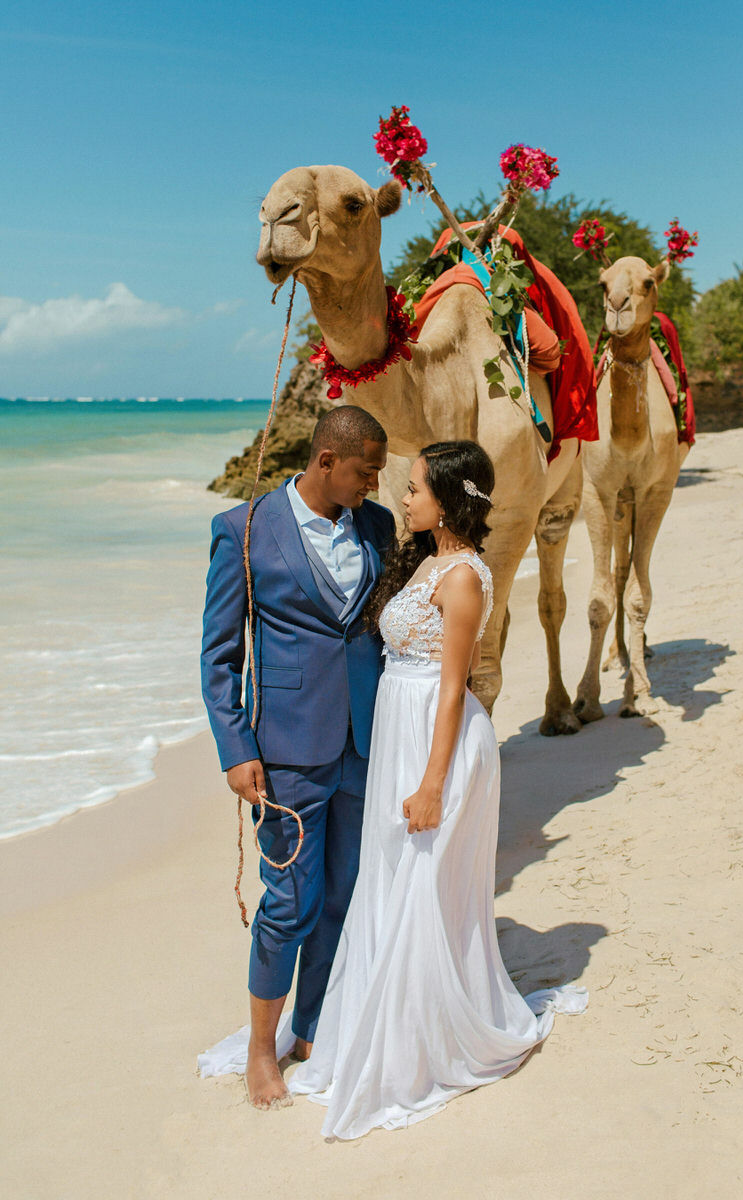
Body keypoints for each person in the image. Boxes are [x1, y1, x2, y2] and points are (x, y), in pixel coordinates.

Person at [288, 440, 587, 1139]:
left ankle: (421, 1040)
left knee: (423, 884)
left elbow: (455, 687)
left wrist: (430, 784)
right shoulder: (423, 558)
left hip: (437, 741)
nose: (404, 496)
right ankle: (391, 1020)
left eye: (416, 487)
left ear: (449, 499)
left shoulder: (464, 578)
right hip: (402, 727)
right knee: (394, 882)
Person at [200, 405, 395, 1109]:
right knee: (289, 903)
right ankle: (261, 1048)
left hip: (364, 742)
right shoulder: (244, 530)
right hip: (283, 751)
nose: (375, 482)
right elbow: (219, 655)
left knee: (342, 895)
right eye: (365, 470)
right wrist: (234, 747)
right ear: (325, 462)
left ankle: (313, 1028)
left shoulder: (375, 526)